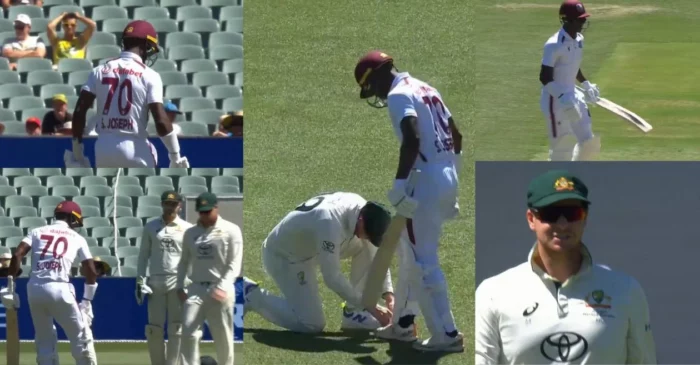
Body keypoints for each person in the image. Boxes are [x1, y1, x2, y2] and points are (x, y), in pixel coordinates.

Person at [475, 170, 657, 364]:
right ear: (531, 219)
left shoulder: (625, 289)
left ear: (585, 218)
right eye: (551, 214)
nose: (562, 224)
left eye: (572, 214)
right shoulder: (493, 292)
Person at [353, 50, 464, 352]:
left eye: (371, 87)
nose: (375, 94)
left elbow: (412, 138)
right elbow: (457, 135)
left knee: (422, 261)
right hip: (446, 174)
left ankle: (447, 334)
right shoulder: (427, 88)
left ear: (376, 77)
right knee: (411, 254)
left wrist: (401, 183)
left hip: (423, 181)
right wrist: (452, 179)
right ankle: (402, 324)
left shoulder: (400, 94)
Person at [243, 192, 395, 333]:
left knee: (366, 247)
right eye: (368, 234)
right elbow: (332, 277)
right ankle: (250, 293)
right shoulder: (329, 223)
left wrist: (389, 295)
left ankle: (353, 314)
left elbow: (376, 255)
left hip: (312, 247)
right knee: (312, 324)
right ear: (361, 220)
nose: (367, 237)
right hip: (285, 257)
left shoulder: (362, 209)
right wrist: (371, 307)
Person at [70, 20, 189, 168]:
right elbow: (161, 121)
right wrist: (175, 155)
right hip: (134, 147)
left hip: (103, 148)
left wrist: (77, 147)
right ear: (145, 45)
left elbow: (79, 111)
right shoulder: (150, 75)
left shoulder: (98, 71)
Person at [5, 201, 99, 365]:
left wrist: (10, 286)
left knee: (44, 339)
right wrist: (87, 300)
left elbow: (18, 254)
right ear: (72, 218)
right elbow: (90, 270)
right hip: (60, 287)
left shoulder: (36, 231)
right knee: (81, 336)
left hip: (34, 289)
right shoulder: (77, 237)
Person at [176, 192, 242, 365]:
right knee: (188, 331)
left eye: (208, 211)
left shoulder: (231, 230)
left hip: (220, 288)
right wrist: (179, 286)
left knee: (223, 335)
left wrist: (223, 286)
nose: (204, 215)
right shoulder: (190, 233)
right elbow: (184, 261)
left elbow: (234, 264)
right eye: (201, 212)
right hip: (196, 287)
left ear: (216, 208)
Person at [137, 190, 194, 365]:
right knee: (154, 329)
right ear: (162, 204)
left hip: (178, 281)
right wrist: (140, 280)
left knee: (177, 328)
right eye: (167, 203)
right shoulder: (151, 226)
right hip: (155, 281)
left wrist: (188, 281)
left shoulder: (187, 228)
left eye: (174, 204)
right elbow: (143, 255)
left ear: (180, 206)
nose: (170, 206)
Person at [540, 0, 601, 161]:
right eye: (579, 20)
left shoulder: (579, 40)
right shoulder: (553, 45)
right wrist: (562, 97)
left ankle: (577, 176)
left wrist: (586, 84)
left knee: (589, 142)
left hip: (573, 95)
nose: (583, 23)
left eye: (583, 19)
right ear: (567, 20)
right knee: (562, 150)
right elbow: (544, 77)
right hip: (555, 102)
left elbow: (572, 66)